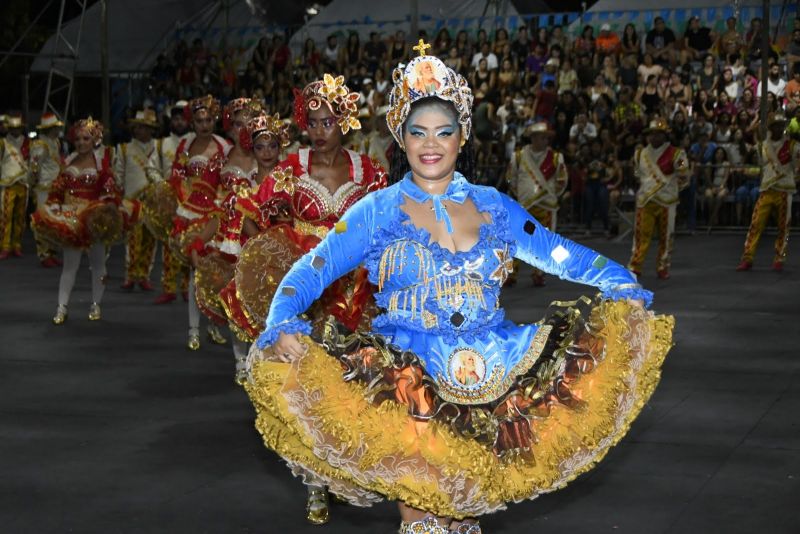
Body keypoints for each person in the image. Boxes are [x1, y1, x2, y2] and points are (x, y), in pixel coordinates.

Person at [245, 42, 673, 534]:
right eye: (419, 132)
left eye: (444, 132)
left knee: (465, 516)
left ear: (462, 136)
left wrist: (619, 278)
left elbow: (559, 252)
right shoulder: (376, 212)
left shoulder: (495, 206)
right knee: (423, 517)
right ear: (401, 138)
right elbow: (308, 271)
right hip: (410, 382)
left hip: (493, 377)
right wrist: (280, 321)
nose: (432, 144)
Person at [235, 74, 387, 524]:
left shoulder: (369, 171)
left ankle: (348, 473)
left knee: (353, 384)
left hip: (358, 296)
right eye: (313, 122)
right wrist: (270, 259)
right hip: (308, 296)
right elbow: (249, 212)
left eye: (328, 122)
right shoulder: (290, 167)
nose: (319, 130)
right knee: (307, 384)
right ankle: (316, 485)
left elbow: (389, 225)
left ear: (345, 122)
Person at [31, 118, 133, 323]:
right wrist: (53, 204)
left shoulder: (101, 166)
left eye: (86, 138)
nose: (81, 142)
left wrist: (105, 208)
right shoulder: (68, 163)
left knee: (98, 264)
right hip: (71, 219)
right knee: (70, 265)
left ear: (94, 139)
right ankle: (62, 307)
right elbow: (57, 190)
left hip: (94, 218)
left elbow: (111, 191)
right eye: (77, 139)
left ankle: (96, 304)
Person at [168, 95, 230, 350]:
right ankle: (194, 330)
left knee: (216, 273)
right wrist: (184, 205)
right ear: (192, 122)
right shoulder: (185, 145)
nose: (204, 125)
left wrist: (219, 206)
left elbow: (228, 182)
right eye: (199, 120)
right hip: (190, 211)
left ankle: (214, 325)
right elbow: (176, 178)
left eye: (208, 120)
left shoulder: (225, 147)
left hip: (215, 215)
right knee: (196, 273)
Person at [505, 122, 567, 286]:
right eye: (541, 137)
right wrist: (521, 195)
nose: (544, 140)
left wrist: (551, 195)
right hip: (524, 205)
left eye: (546, 138)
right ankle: (511, 273)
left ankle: (539, 273)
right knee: (517, 239)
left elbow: (562, 181)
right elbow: (511, 179)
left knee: (543, 241)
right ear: (532, 138)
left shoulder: (555, 158)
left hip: (546, 206)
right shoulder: (518, 156)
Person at [628, 118, 690, 279]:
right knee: (641, 235)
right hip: (645, 201)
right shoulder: (639, 154)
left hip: (667, 202)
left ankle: (663, 266)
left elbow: (684, 175)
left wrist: (672, 190)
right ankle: (635, 266)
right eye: (651, 134)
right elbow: (636, 174)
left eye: (658, 134)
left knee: (666, 236)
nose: (654, 137)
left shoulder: (678, 154)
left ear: (665, 135)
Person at [737, 113, 799, 272]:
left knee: (784, 227)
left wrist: (795, 175)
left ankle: (780, 257)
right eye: (775, 125)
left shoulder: (793, 145)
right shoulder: (763, 146)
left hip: (784, 190)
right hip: (766, 189)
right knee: (756, 224)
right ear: (771, 128)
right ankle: (747, 257)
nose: (778, 128)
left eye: (780, 125)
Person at [115, 109, 162, 291]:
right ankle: (130, 275)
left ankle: (144, 275)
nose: (143, 131)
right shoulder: (124, 149)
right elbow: (119, 174)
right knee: (132, 240)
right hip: (131, 201)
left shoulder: (158, 147)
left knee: (150, 240)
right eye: (139, 127)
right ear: (134, 129)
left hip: (153, 200)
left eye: (147, 128)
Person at [152, 101, 191, 305]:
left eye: (182, 118)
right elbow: (152, 168)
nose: (179, 122)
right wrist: (162, 188)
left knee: (187, 244)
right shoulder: (161, 144)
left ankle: (186, 287)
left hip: (191, 203)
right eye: (176, 118)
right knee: (168, 245)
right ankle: (168, 287)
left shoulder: (195, 142)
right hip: (169, 202)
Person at [29, 113, 65, 267]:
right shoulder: (39, 145)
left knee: (54, 221)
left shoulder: (55, 142)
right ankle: (44, 253)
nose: (58, 130)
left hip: (55, 186)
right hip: (43, 186)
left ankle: (52, 251)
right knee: (43, 220)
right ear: (49, 129)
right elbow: (34, 168)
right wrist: (33, 184)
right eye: (55, 128)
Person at [0, 115, 30, 259]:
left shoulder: (27, 143)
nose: (15, 131)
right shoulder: (3, 143)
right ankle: (5, 246)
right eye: (13, 128)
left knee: (20, 217)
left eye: (17, 128)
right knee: (5, 216)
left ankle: (16, 245)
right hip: (8, 183)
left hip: (23, 183)